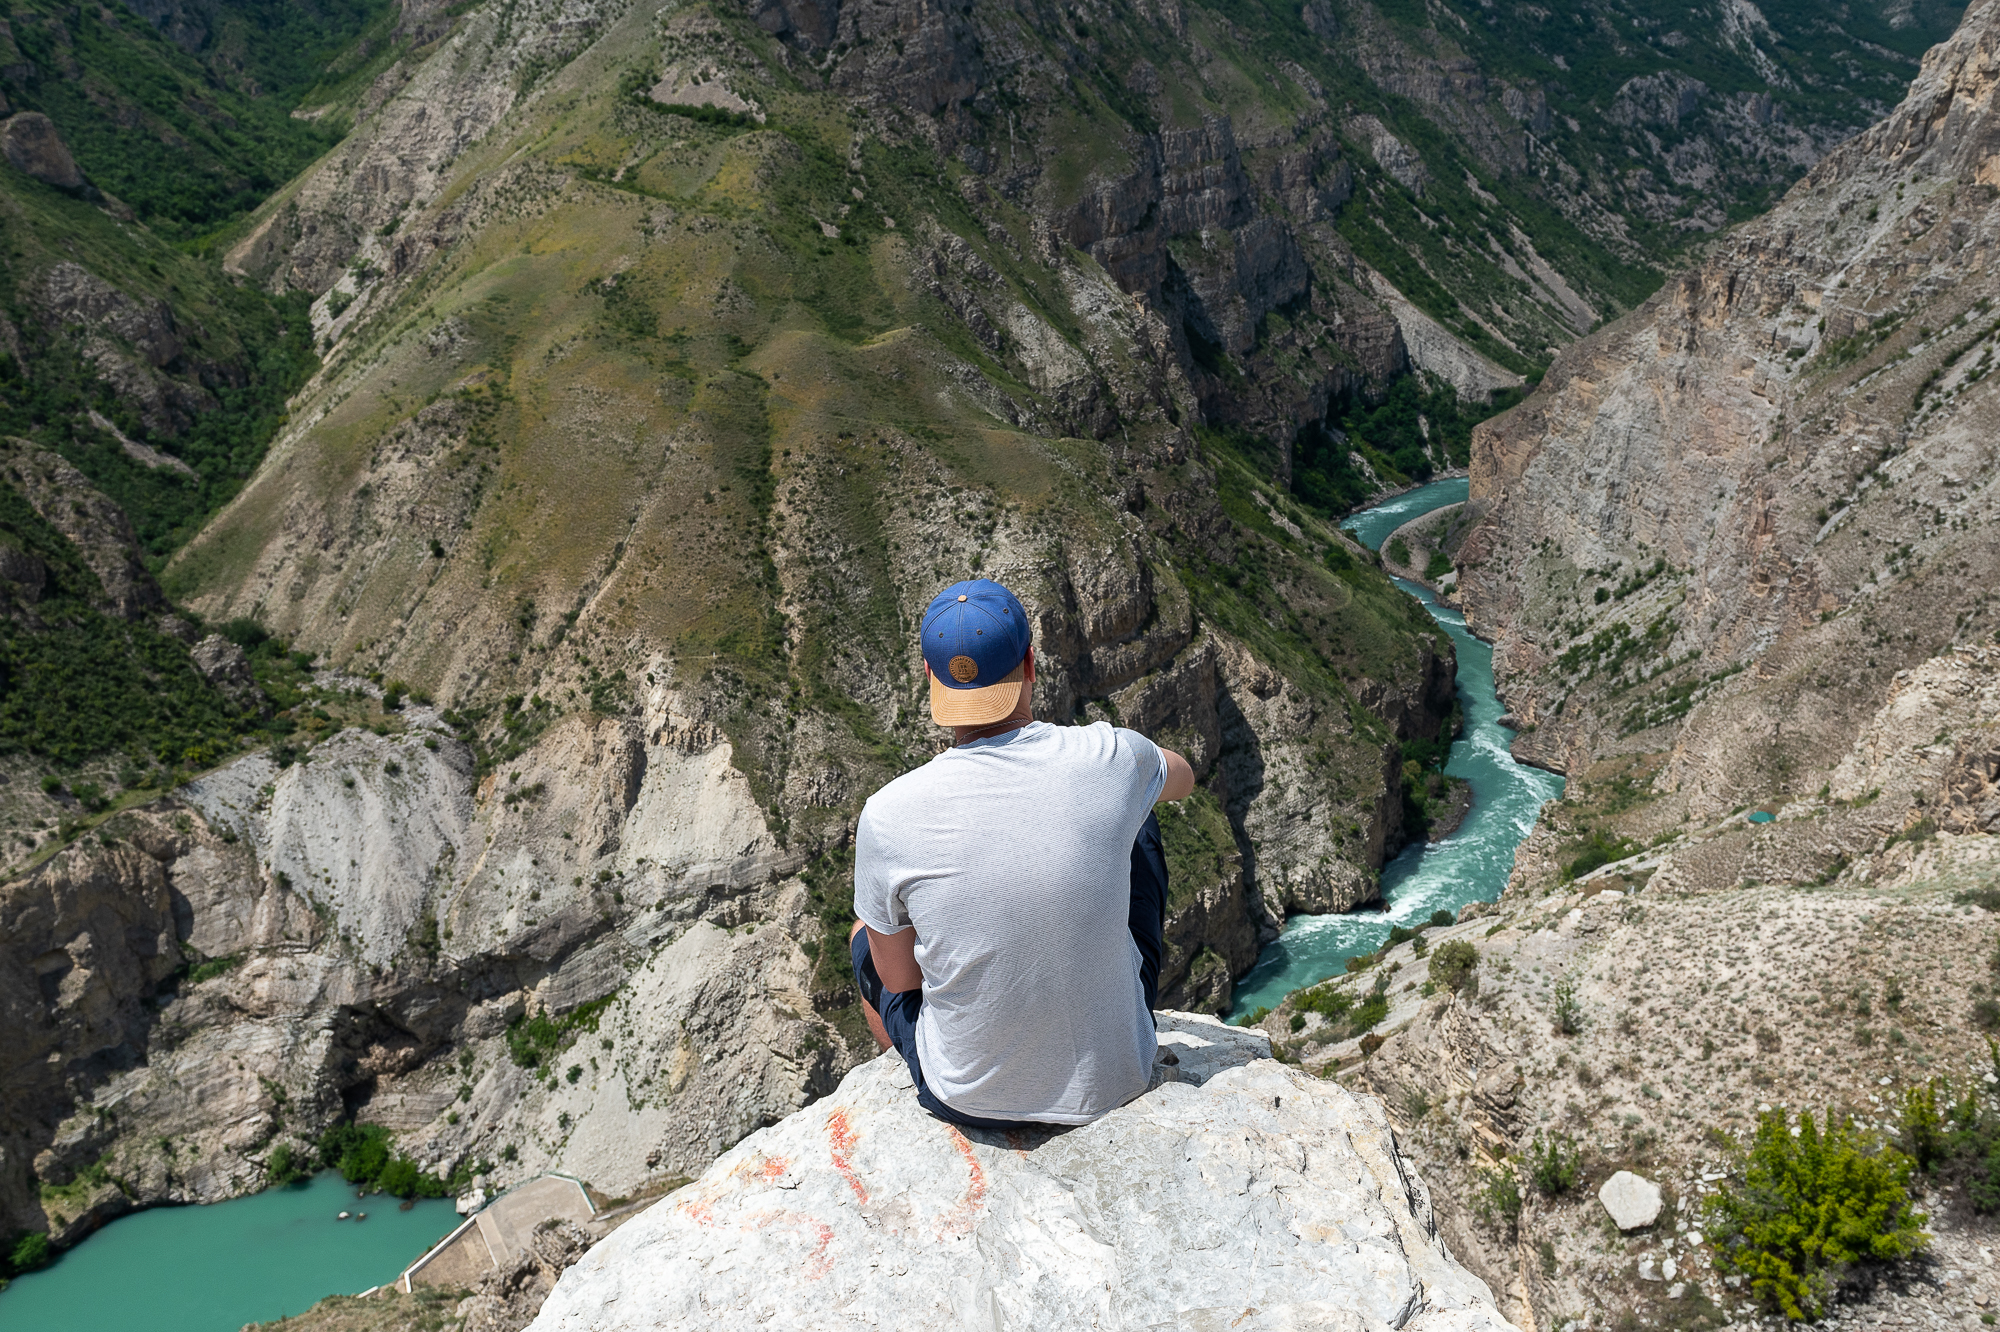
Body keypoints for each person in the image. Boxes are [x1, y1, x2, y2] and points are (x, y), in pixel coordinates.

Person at [848, 578, 1196, 1130]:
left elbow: (898, 983)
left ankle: (920, 1064)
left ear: (929, 679)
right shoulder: (1110, 756)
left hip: (966, 1099)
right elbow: (1183, 777)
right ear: (1031, 663)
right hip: (1118, 1078)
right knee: (1140, 817)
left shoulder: (887, 813)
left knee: (864, 937)